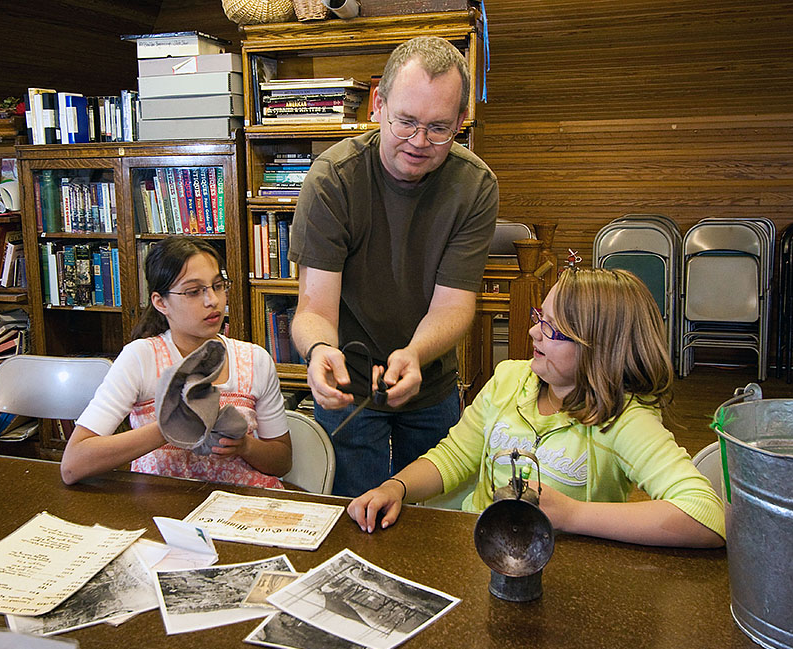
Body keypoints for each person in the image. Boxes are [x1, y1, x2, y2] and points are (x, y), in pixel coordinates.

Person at [347, 268, 726, 548]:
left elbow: (707, 517)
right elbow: (454, 457)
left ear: (601, 348)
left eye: (553, 330)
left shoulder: (624, 419)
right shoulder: (510, 379)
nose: (533, 332)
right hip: (480, 554)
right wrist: (397, 486)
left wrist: (573, 515)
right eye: (538, 317)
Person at [289, 36, 499, 497]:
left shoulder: (475, 186)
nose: (419, 142)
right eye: (406, 122)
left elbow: (453, 306)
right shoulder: (333, 180)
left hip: (431, 384)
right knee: (352, 514)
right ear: (378, 104)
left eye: (439, 128)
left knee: (433, 525)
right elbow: (313, 307)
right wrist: (319, 350)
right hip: (348, 386)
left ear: (461, 120)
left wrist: (416, 354)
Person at [60, 236, 292, 486]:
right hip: (162, 510)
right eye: (193, 292)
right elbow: (74, 465)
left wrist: (245, 446)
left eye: (218, 285)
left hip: (238, 509)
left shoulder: (254, 359)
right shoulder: (141, 357)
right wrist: (171, 427)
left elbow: (282, 461)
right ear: (161, 302)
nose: (212, 300)